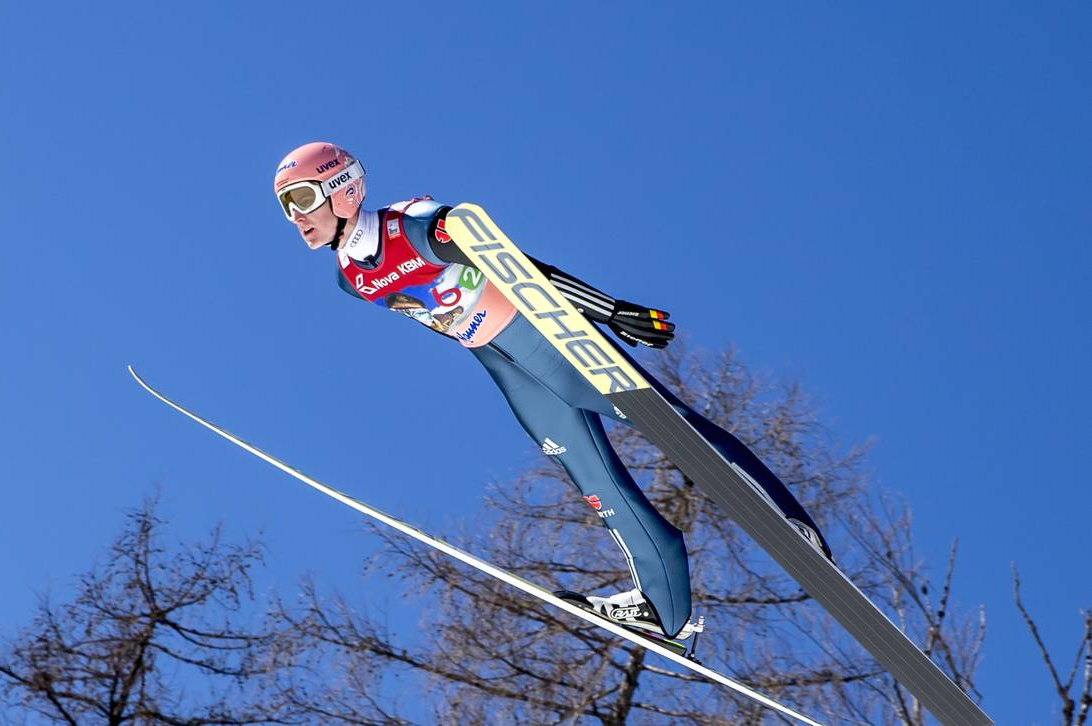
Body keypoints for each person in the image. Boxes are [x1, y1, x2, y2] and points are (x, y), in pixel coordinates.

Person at [273, 141, 829, 645]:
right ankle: (664, 607)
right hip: (504, 366)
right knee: (596, 483)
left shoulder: (414, 224)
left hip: (543, 337)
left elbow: (518, 268)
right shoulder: (349, 278)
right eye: (286, 206)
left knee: (669, 426)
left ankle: (784, 520)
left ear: (342, 189)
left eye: (301, 198)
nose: (296, 217)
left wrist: (610, 311)